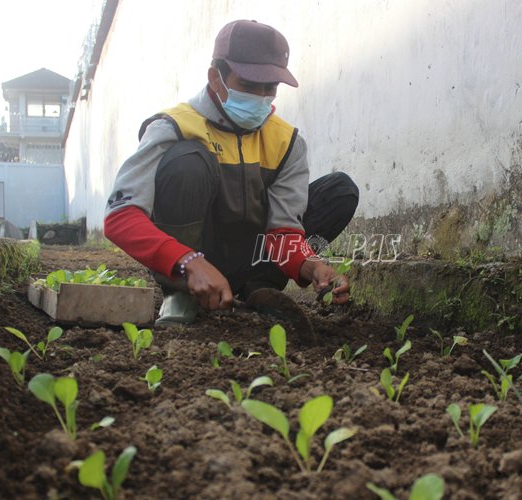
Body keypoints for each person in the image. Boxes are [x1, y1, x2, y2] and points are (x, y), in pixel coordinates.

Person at [103, 19, 359, 326]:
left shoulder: (286, 141)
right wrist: (188, 262)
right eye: (249, 85)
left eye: (270, 88)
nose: (262, 97)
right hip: (192, 259)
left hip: (251, 254)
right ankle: (181, 294)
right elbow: (121, 217)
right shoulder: (173, 127)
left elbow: (283, 233)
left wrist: (311, 265)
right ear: (215, 77)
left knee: (339, 191)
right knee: (187, 162)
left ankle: (258, 289)